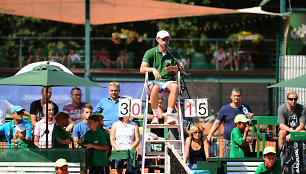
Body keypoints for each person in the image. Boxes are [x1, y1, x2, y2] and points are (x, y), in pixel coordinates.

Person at [139, 30, 182, 125]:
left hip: (168, 81)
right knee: (155, 88)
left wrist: (173, 68)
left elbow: (182, 68)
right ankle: (155, 116)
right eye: (163, 39)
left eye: (167, 39)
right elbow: (142, 69)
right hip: (154, 81)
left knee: (175, 87)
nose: (165, 41)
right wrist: (153, 69)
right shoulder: (150, 52)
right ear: (157, 39)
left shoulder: (173, 52)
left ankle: (168, 115)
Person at [207, 88, 253, 157]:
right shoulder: (225, 109)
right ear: (231, 96)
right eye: (234, 96)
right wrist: (210, 134)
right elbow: (217, 123)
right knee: (228, 163)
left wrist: (251, 117)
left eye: (238, 96)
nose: (236, 97)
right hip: (228, 141)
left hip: (242, 140)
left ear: (241, 97)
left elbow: (250, 124)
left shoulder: (245, 108)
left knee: (244, 161)